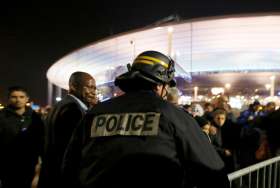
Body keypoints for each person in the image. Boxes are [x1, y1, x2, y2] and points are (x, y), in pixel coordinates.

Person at [62, 50, 230, 188]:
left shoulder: (95, 113)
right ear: (159, 85)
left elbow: (69, 168)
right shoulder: (174, 116)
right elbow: (214, 173)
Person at [38, 71, 96, 188]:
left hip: (51, 172)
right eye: (89, 87)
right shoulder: (72, 109)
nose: (93, 92)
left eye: (94, 88)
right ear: (73, 86)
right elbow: (73, 148)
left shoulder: (60, 105)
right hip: (63, 176)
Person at [0, 86, 44, 188]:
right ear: (9, 98)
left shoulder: (35, 117)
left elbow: (41, 141)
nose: (18, 100)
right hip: (8, 167)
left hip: (31, 166)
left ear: (27, 98)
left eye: (21, 97)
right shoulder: (2, 117)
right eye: (14, 97)